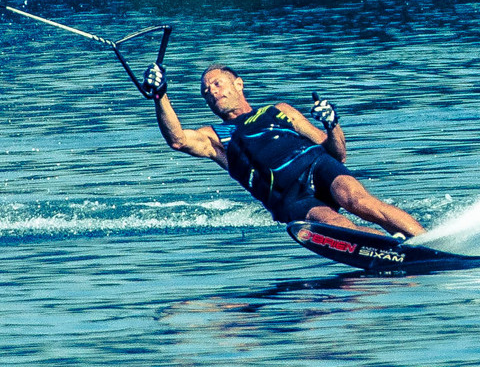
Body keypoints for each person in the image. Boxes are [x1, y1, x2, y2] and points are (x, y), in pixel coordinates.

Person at [146, 62, 424, 237]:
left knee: (358, 201)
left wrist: (332, 125)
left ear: (238, 84)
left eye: (217, 84)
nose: (212, 92)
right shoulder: (214, 137)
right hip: (289, 197)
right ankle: (389, 248)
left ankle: (431, 240)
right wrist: (160, 96)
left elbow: (336, 153)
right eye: (206, 91)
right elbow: (178, 139)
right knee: (333, 223)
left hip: (318, 166)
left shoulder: (279, 111)